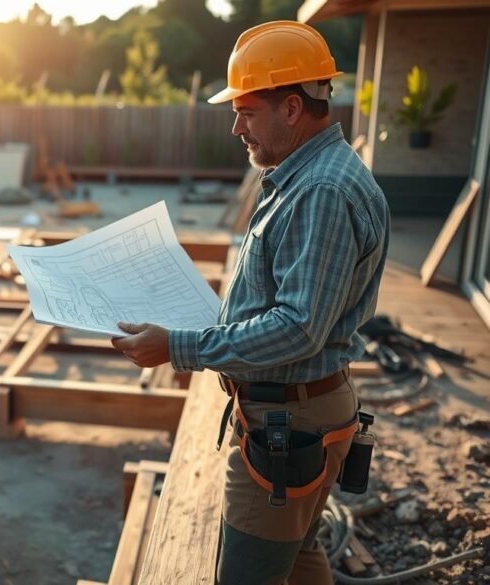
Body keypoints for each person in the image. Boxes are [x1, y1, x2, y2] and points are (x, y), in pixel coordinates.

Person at [111, 21, 390, 585]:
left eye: (246, 110)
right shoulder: (306, 176)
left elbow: (296, 328)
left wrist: (178, 346)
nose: (236, 126)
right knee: (300, 559)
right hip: (298, 414)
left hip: (289, 425)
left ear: (292, 108)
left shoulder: (320, 192)